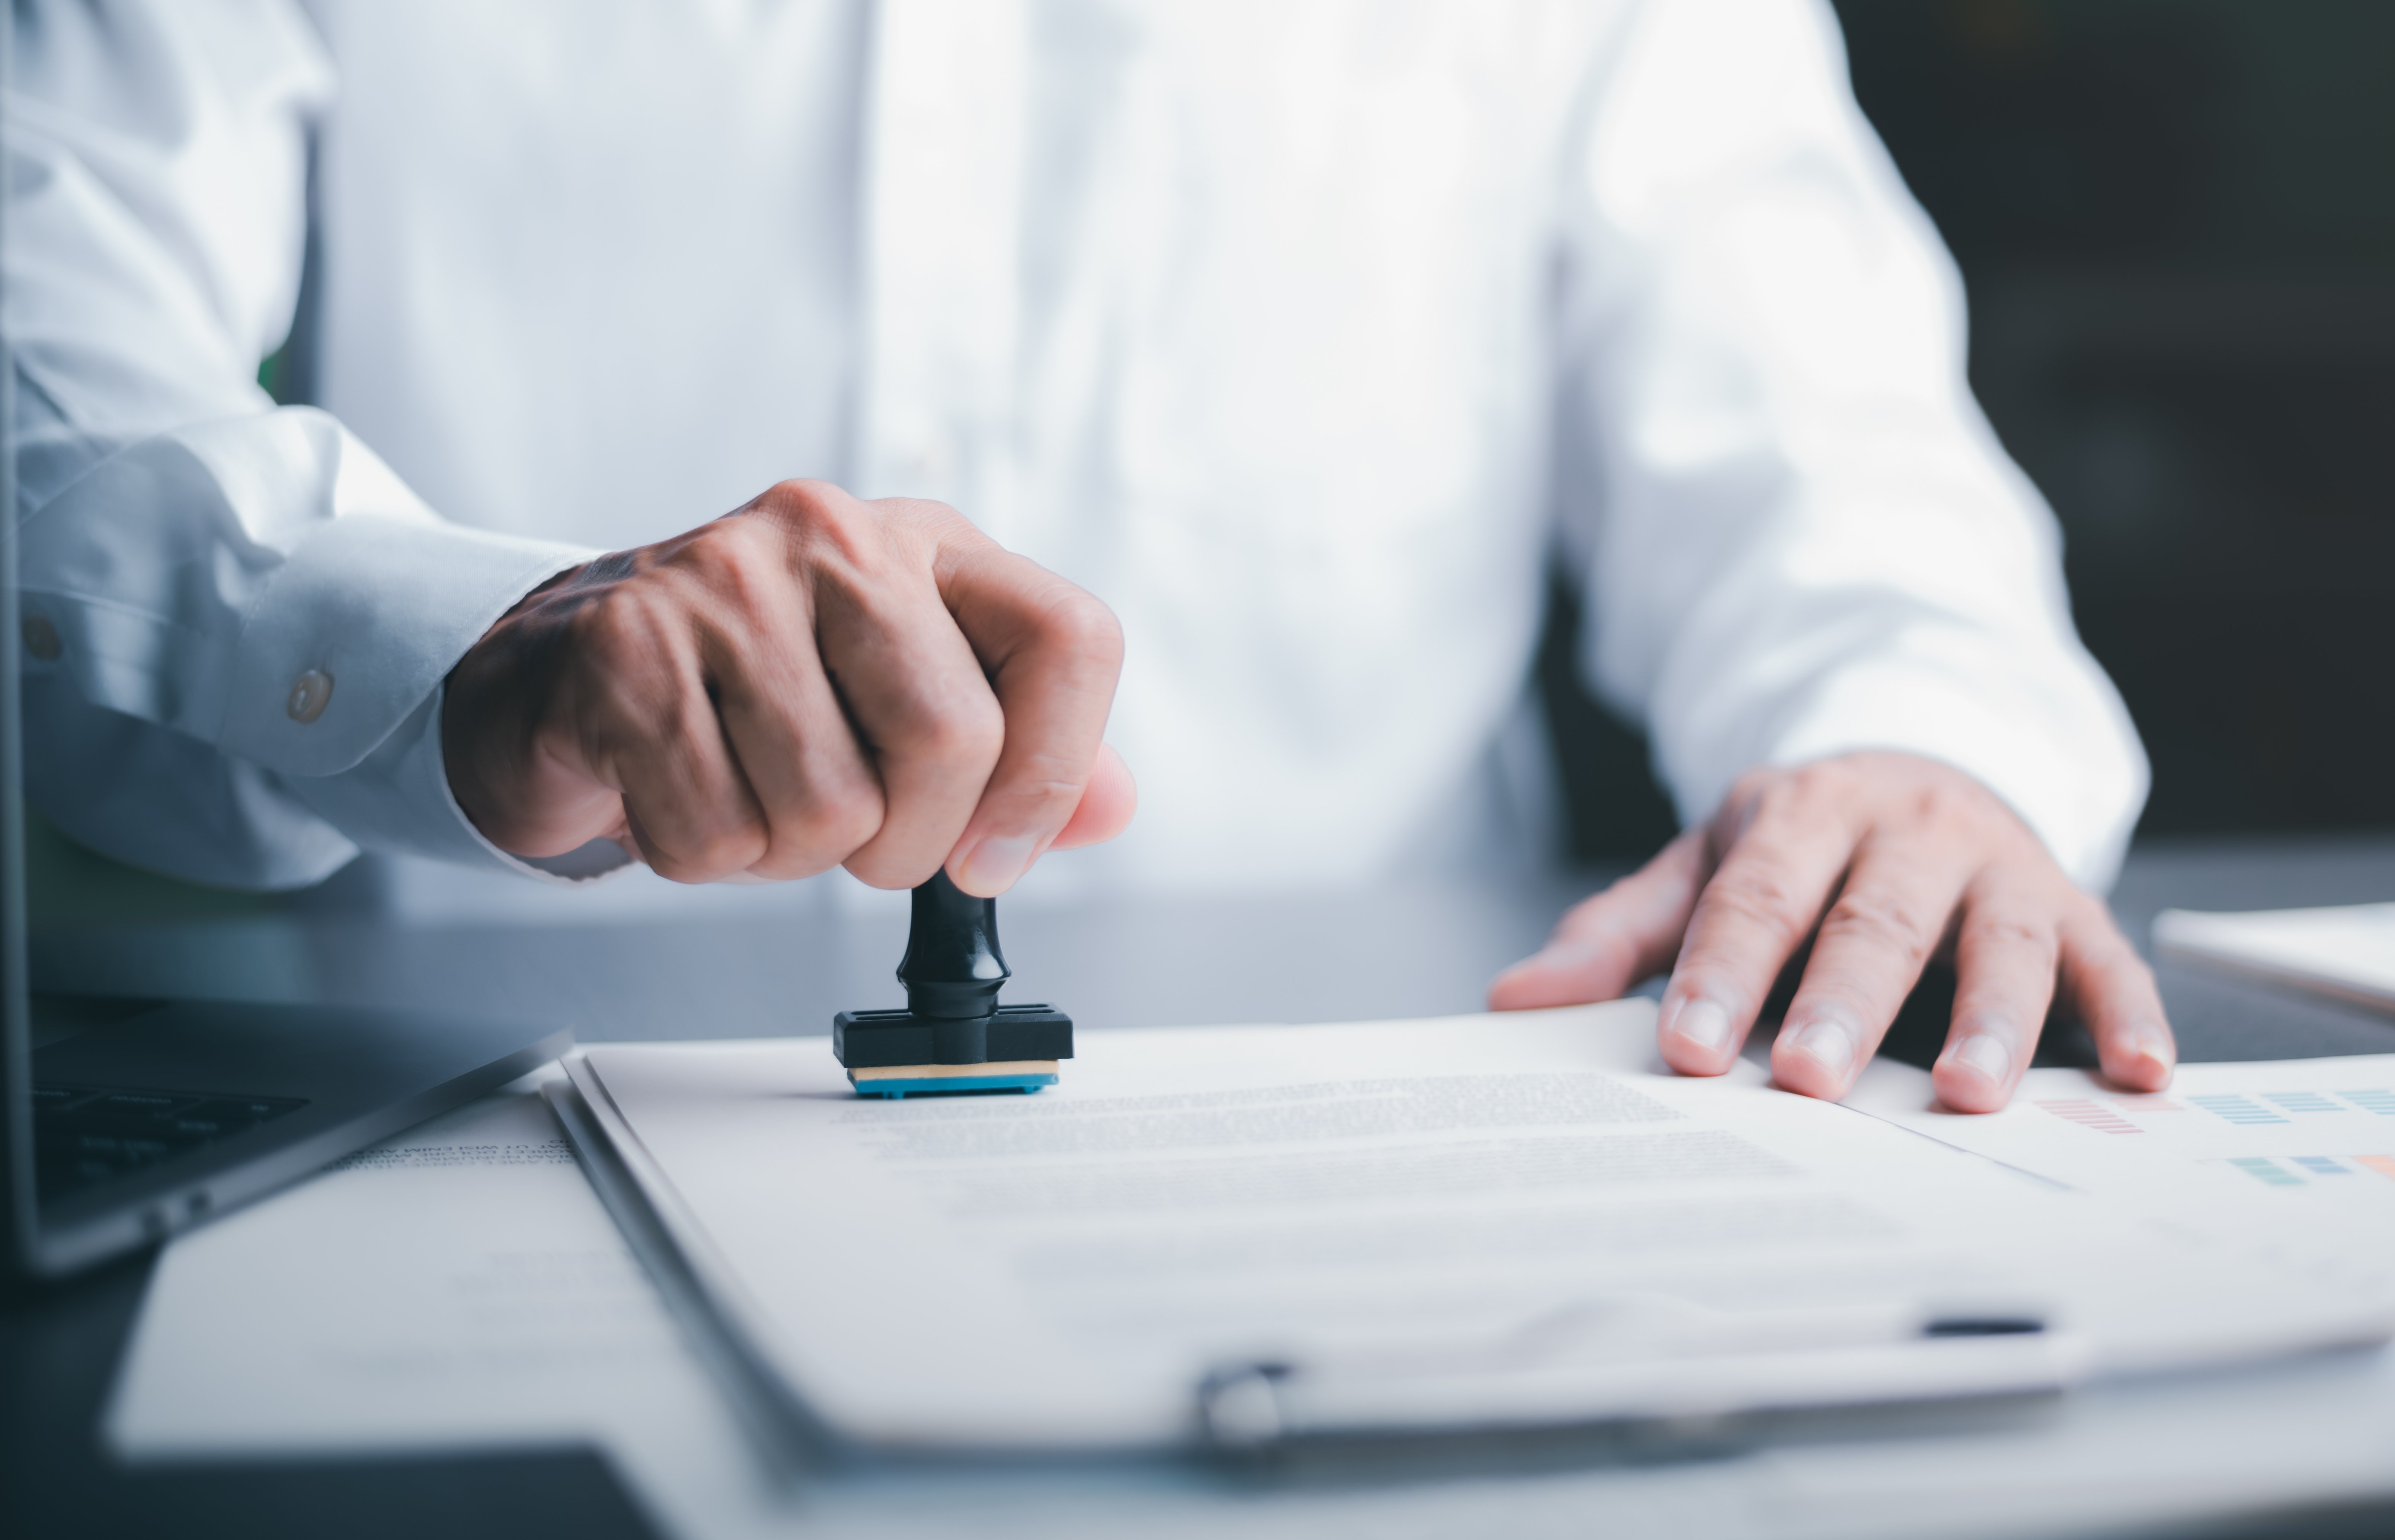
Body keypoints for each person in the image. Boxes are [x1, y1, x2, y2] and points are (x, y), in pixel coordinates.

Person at [6, 0, 2173, 1111]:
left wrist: (1912, 750)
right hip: (464, 1135)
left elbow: (1845, 460)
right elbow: (46, 374)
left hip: (1407, 1194)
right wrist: (470, 654)